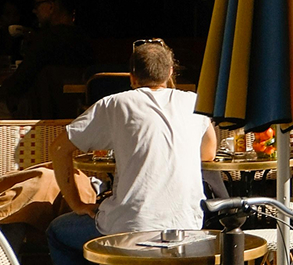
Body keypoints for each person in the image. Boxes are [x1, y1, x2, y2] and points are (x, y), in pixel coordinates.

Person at [46, 39, 217, 265]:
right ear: (170, 73)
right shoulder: (194, 103)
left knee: (57, 232)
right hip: (187, 227)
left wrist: (77, 204)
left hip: (128, 228)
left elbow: (58, 148)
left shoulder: (115, 104)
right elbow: (208, 154)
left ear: (132, 77)